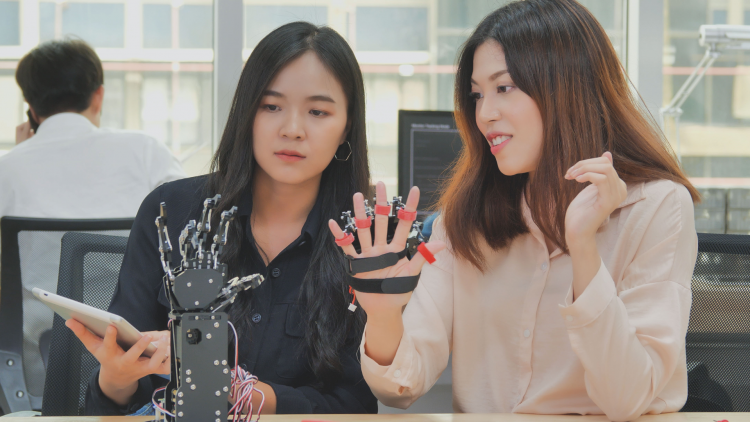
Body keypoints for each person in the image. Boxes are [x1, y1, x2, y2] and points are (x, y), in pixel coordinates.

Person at [330, 1, 699, 420]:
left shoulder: (656, 207)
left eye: (504, 88)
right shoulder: (464, 218)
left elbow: (627, 400)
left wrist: (583, 248)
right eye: (476, 95)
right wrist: (381, 315)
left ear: (566, 86)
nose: (484, 114)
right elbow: (401, 387)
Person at [67, 22, 378, 416]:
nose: (292, 129)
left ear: (346, 125)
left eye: (318, 111)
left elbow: (354, 404)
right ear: (247, 112)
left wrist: (241, 393)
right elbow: (114, 398)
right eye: (271, 106)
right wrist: (115, 377)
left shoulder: (365, 239)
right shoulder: (172, 212)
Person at [2, 38, 185, 399]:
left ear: (31, 109)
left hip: (35, 370)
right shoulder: (145, 152)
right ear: (98, 96)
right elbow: (191, 236)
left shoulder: (7, 169)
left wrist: (21, 151)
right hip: (140, 361)